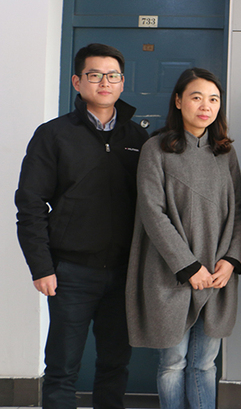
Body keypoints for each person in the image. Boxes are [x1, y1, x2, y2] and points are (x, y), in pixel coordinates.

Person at [15, 43, 149, 409]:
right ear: (77, 81)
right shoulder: (53, 134)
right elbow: (30, 203)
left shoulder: (138, 139)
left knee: (115, 365)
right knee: (62, 369)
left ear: (122, 83)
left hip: (124, 272)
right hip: (70, 272)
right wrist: (41, 267)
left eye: (113, 76)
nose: (105, 83)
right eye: (95, 75)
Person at [126, 68, 241, 409]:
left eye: (213, 99)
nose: (206, 106)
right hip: (171, 274)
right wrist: (188, 266)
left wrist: (231, 260)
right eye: (196, 97)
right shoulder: (155, 149)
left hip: (217, 275)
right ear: (178, 101)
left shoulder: (225, 152)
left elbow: (239, 209)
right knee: (173, 363)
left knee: (205, 363)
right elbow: (152, 213)